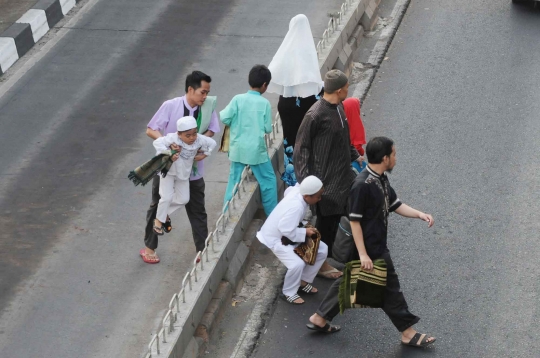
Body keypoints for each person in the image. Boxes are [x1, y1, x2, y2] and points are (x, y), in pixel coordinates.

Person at [307, 137, 436, 348]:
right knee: (390, 288)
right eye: (394, 154)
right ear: (385, 158)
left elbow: (395, 204)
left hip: (372, 246)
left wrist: (420, 215)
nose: (395, 158)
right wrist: (364, 254)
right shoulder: (362, 185)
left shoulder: (380, 179)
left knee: (351, 281)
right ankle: (408, 332)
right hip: (370, 249)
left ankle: (320, 318)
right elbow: (355, 222)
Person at [141, 71, 220, 264]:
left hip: (193, 170)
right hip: (168, 167)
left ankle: (202, 251)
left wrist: (198, 148)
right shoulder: (171, 106)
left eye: (207, 92)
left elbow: (211, 130)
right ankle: (150, 248)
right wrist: (168, 146)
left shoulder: (208, 108)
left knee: (197, 210)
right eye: (202, 92)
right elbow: (151, 129)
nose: (205, 97)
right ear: (190, 89)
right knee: (157, 203)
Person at [294, 69, 362, 279]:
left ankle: (351, 257)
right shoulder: (315, 115)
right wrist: (307, 181)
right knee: (325, 224)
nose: (347, 91)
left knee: (352, 215)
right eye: (347, 88)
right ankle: (311, 263)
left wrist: (354, 155)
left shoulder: (339, 107)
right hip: (326, 184)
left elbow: (344, 137)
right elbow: (301, 149)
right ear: (340, 90)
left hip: (344, 176)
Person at [267, 14, 324, 186]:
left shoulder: (287, 49)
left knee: (293, 147)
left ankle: (295, 187)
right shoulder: (307, 49)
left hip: (288, 103)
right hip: (310, 103)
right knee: (312, 149)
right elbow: (313, 82)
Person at [256, 176, 328, 305]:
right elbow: (285, 229)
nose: (320, 199)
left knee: (322, 249)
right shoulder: (297, 207)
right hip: (276, 239)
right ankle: (288, 292)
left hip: (289, 233)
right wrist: (305, 231)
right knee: (296, 264)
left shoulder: (297, 191)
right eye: (317, 196)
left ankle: (302, 280)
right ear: (307, 196)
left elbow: (289, 190)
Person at [220, 65, 278, 216]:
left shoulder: (237, 99)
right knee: (268, 181)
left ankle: (226, 214)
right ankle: (272, 215)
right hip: (256, 152)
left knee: (233, 181)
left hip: (238, 149)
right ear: (265, 85)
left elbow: (224, 117)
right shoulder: (264, 103)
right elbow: (267, 128)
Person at [152, 116, 217, 235]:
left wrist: (205, 154)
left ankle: (163, 212)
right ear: (179, 134)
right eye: (188, 135)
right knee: (166, 197)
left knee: (184, 199)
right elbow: (157, 142)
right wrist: (169, 154)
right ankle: (158, 221)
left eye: (194, 134)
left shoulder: (199, 140)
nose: (192, 138)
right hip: (168, 172)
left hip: (184, 173)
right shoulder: (173, 138)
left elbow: (212, 143)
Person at [342, 97, 367, 172]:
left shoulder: (340, 120)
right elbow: (357, 146)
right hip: (352, 161)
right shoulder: (356, 123)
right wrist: (360, 153)